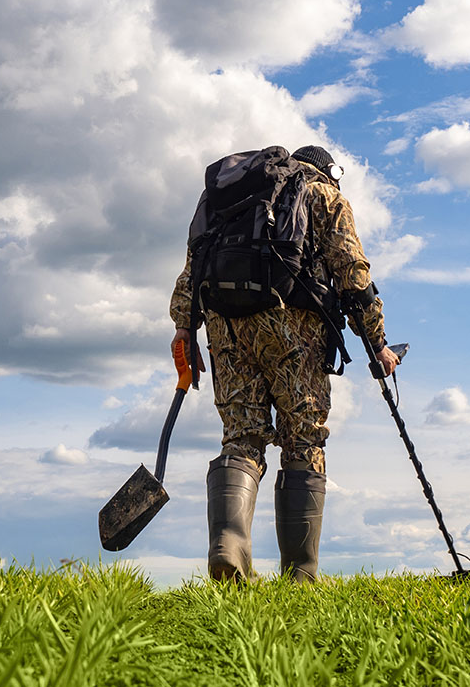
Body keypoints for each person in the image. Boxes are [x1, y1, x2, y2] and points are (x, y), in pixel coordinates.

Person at [169, 145, 399, 582]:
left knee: (242, 435)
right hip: (292, 326)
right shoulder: (323, 195)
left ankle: (229, 548)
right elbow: (353, 273)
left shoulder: (227, 200)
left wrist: (185, 328)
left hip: (226, 325)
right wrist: (378, 341)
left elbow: (192, 266)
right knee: (303, 439)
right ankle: (301, 575)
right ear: (330, 172)